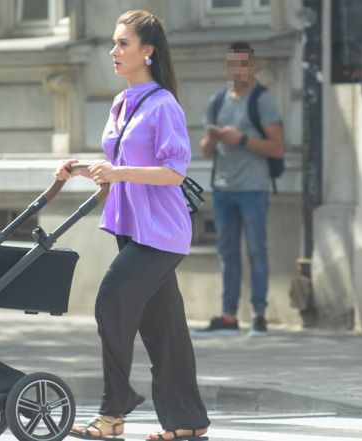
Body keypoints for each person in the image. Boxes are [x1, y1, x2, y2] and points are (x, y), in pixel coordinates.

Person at [58, 10, 209, 441]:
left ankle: (113, 412)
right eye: (114, 42)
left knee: (111, 301)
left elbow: (174, 172)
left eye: (123, 43)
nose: (113, 51)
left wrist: (118, 172)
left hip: (161, 233)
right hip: (131, 227)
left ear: (148, 52)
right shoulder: (121, 102)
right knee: (165, 330)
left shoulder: (164, 105)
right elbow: (122, 162)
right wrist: (82, 169)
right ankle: (188, 421)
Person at [198, 41, 285, 337]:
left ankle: (259, 316)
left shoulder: (262, 100)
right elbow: (205, 151)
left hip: (253, 188)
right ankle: (228, 316)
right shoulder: (217, 100)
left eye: (243, 65)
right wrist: (212, 139)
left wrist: (242, 139)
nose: (237, 70)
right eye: (232, 65)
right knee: (227, 253)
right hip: (223, 188)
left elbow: (277, 148)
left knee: (257, 252)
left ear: (253, 66)